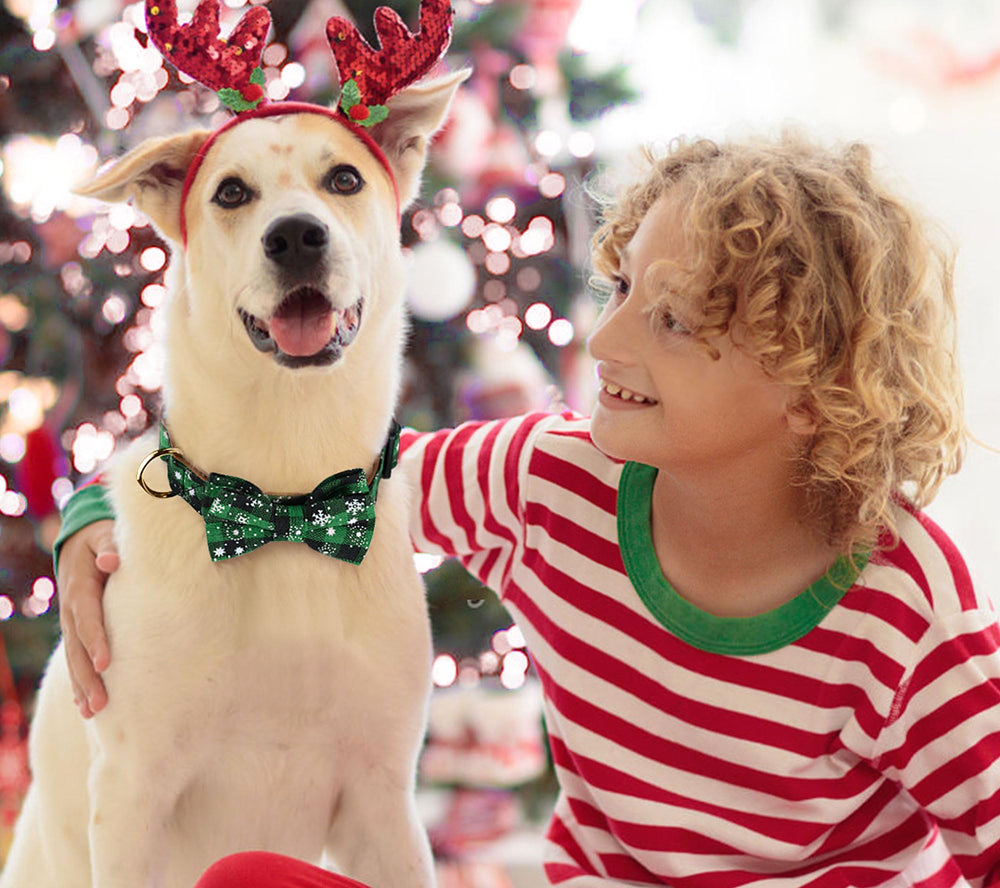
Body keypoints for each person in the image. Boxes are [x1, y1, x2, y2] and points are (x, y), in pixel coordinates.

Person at [54, 134, 1000, 888]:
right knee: (248, 881)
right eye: (620, 288)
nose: (605, 339)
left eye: (672, 320)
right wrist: (96, 511)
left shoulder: (906, 609)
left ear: (811, 388)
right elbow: (305, 491)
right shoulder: (549, 485)